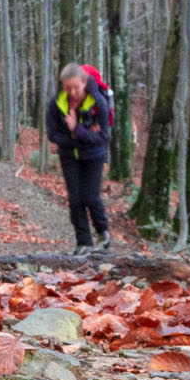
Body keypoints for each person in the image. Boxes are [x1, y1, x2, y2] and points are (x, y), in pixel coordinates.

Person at [45, 63, 111, 253]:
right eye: (67, 87)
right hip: (68, 156)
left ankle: (103, 232)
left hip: (94, 157)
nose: (72, 92)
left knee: (91, 197)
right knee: (75, 200)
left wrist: (76, 130)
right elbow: (53, 135)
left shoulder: (98, 103)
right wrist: (79, 139)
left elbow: (103, 137)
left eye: (76, 87)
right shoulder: (57, 103)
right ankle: (83, 243)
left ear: (84, 83)